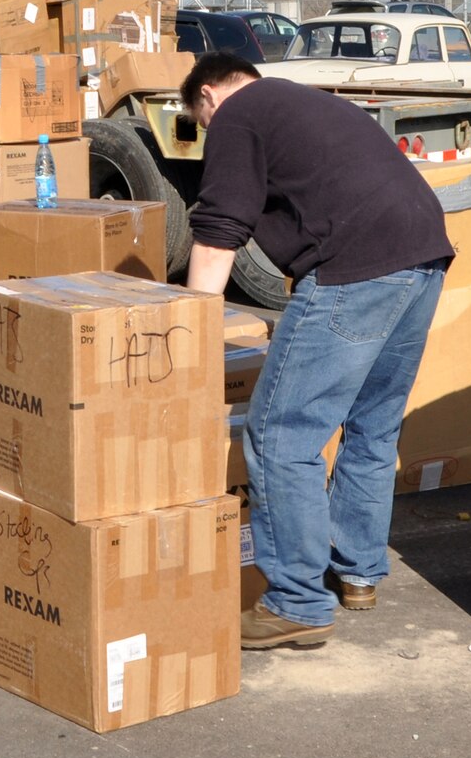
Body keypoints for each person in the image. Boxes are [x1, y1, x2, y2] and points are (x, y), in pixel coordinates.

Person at [182, 53, 452, 651]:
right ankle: (356, 571)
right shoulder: (306, 100)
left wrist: (187, 336)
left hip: (357, 268)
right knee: (373, 426)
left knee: (281, 435)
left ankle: (297, 603)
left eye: (200, 123)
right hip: (424, 256)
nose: (208, 133)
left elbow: (221, 223)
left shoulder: (237, 114)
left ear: (208, 95)